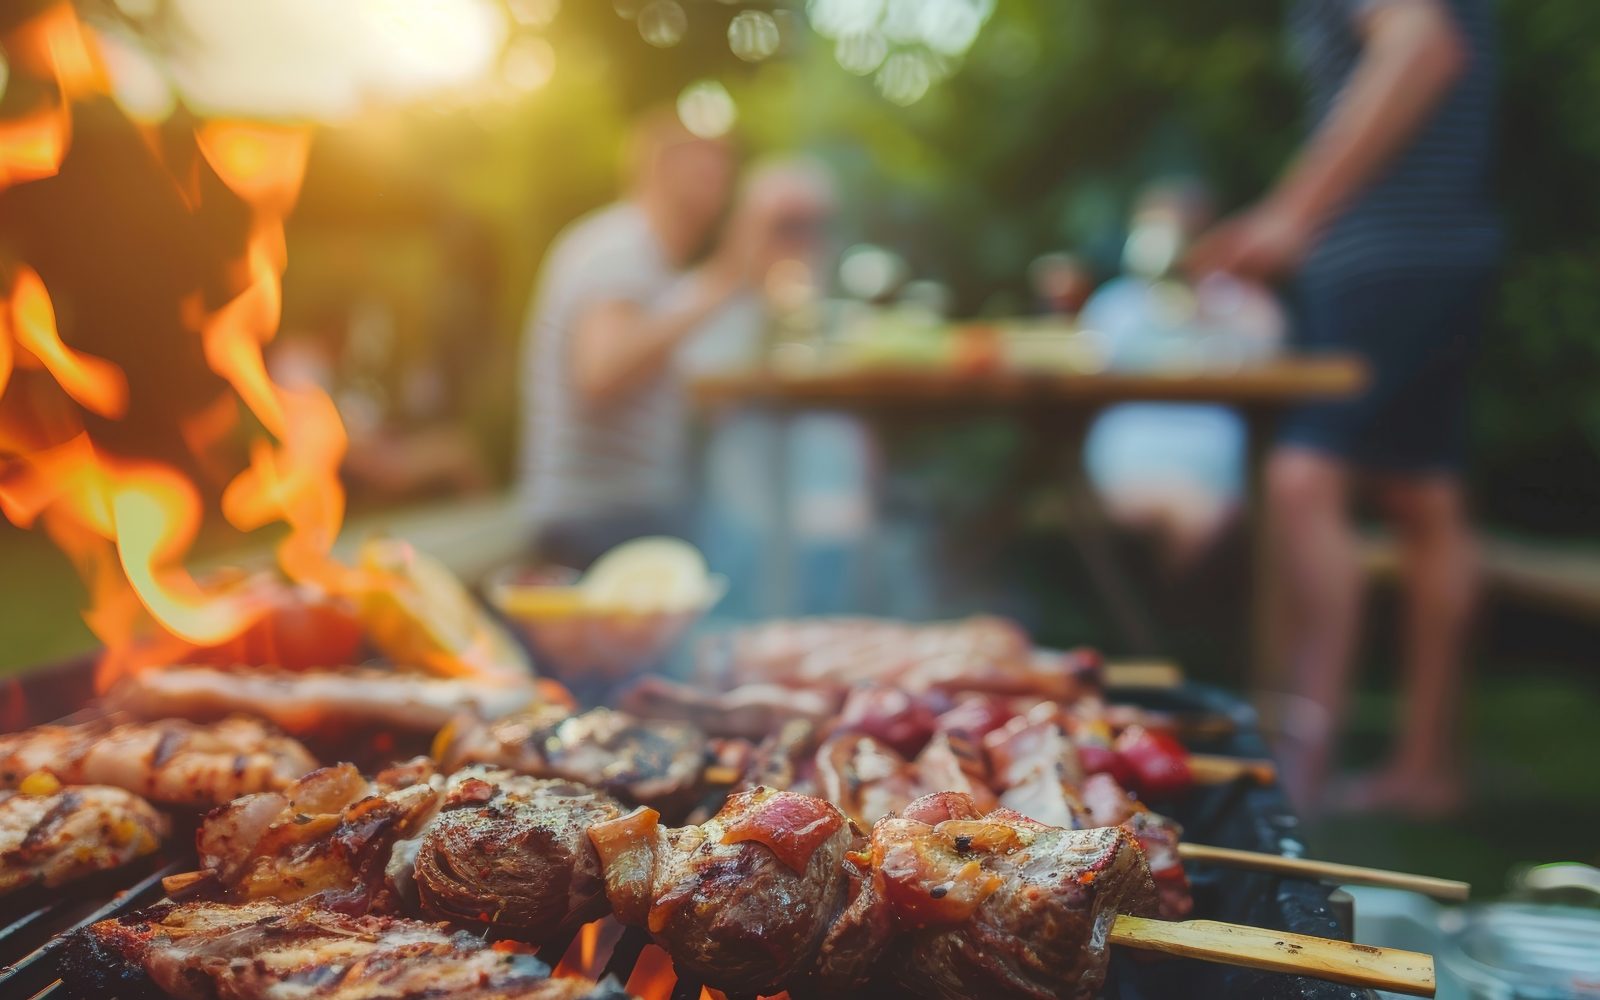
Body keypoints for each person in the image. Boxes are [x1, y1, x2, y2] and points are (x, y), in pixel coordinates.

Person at [1187, 0, 1498, 817]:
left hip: (1387, 251)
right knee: (1422, 499)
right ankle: (1425, 770)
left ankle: (1301, 767)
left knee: (1301, 482)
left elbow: (1423, 43)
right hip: (1443, 240)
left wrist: (1294, 212)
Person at [516, 111, 787, 568]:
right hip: (600, 520)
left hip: (626, 515)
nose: (722, 178)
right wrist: (722, 281)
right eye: (706, 163)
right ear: (659, 166)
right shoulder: (620, 246)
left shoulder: (655, 266)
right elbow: (601, 371)